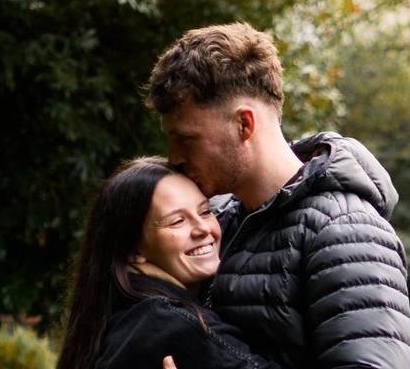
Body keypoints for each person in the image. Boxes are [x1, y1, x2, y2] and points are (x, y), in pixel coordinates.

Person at [146, 22, 410, 368]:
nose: (174, 158)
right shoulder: (218, 220)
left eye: (186, 139)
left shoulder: (347, 233)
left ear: (244, 124)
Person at [57, 156, 281, 369]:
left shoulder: (118, 318)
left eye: (205, 211)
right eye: (177, 221)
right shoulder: (171, 323)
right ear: (133, 249)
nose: (203, 228)